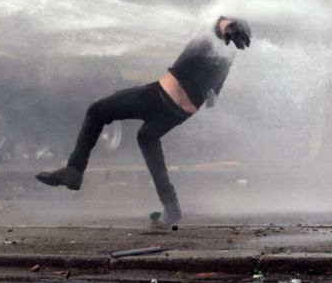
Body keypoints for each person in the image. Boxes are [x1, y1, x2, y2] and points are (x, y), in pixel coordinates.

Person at [35, 16, 252, 225]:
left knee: (96, 111)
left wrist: (229, 25)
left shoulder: (217, 31)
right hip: (180, 112)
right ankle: (171, 206)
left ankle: (74, 170)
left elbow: (220, 23)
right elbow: (214, 94)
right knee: (146, 138)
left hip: (159, 96)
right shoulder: (226, 57)